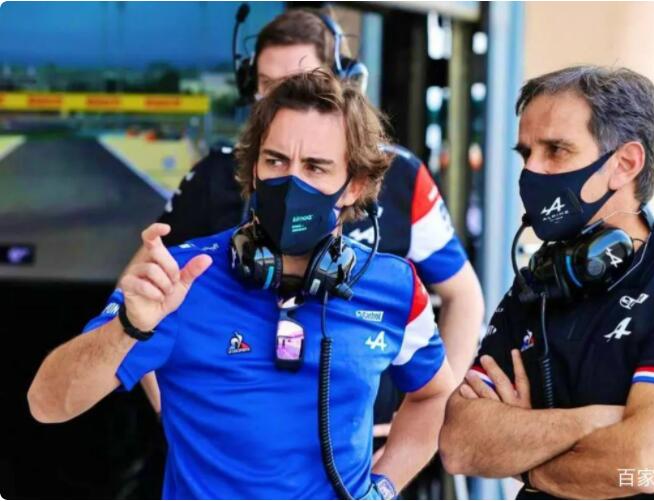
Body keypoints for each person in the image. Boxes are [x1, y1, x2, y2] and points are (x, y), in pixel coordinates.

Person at [28, 69, 456, 499]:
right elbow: (47, 404)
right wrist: (127, 328)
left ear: (354, 185)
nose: (292, 182)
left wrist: (383, 488)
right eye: (276, 161)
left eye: (315, 167)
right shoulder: (182, 277)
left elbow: (434, 396)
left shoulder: (394, 287)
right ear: (253, 169)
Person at [131, 8, 484, 441]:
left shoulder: (401, 176)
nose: (282, 99)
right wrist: (173, 416)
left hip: (367, 445)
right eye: (267, 85)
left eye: (298, 80)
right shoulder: (216, 175)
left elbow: (463, 295)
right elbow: (139, 292)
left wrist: (431, 424)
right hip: (227, 449)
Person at [439, 65, 654, 500]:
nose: (532, 171)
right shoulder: (539, 285)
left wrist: (527, 460)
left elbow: (640, 462)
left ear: (625, 164)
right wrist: (599, 420)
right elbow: (459, 443)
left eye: (556, 150)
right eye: (526, 153)